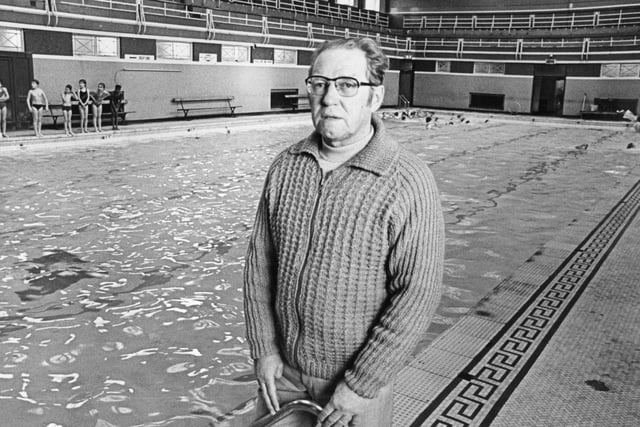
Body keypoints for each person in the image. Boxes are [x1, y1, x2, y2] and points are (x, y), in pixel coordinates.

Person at [244, 37, 445, 427]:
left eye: (347, 85)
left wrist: (362, 383)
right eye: (319, 83)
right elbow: (259, 266)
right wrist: (264, 348)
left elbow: (417, 295)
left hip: (356, 390)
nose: (329, 97)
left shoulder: (407, 181)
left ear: (375, 97)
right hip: (281, 375)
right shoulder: (286, 167)